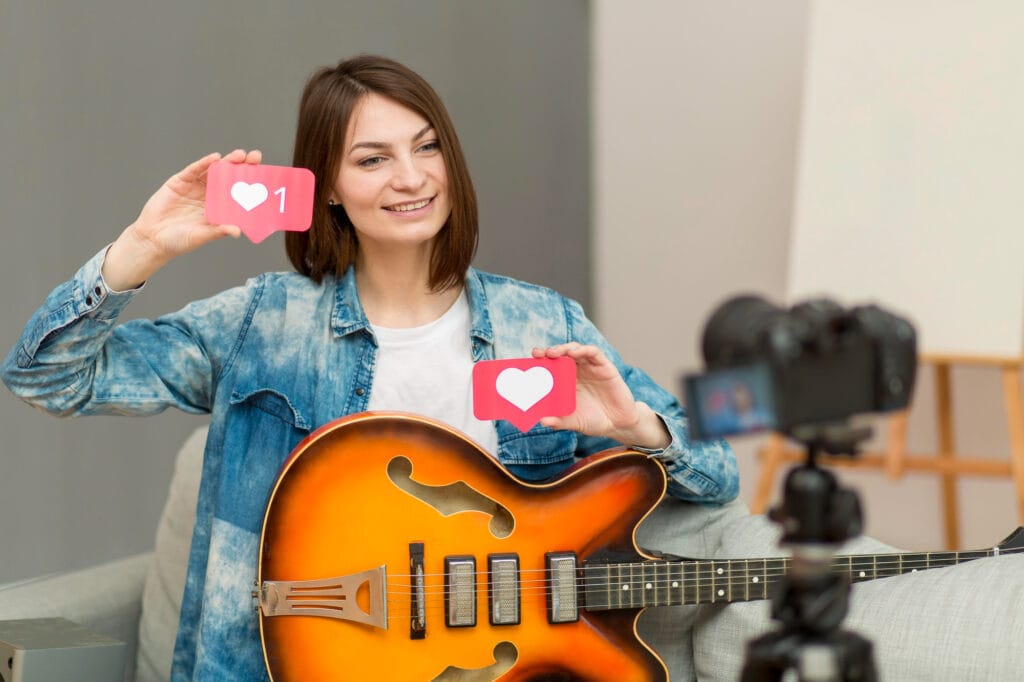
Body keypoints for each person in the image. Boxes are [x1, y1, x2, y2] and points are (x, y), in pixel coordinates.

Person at [1, 55, 738, 679]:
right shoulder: (262, 324)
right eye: (372, 159)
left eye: (427, 148)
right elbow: (47, 378)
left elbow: (718, 473)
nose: (411, 178)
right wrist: (144, 247)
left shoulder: (541, 326)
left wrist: (636, 427)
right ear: (327, 185)